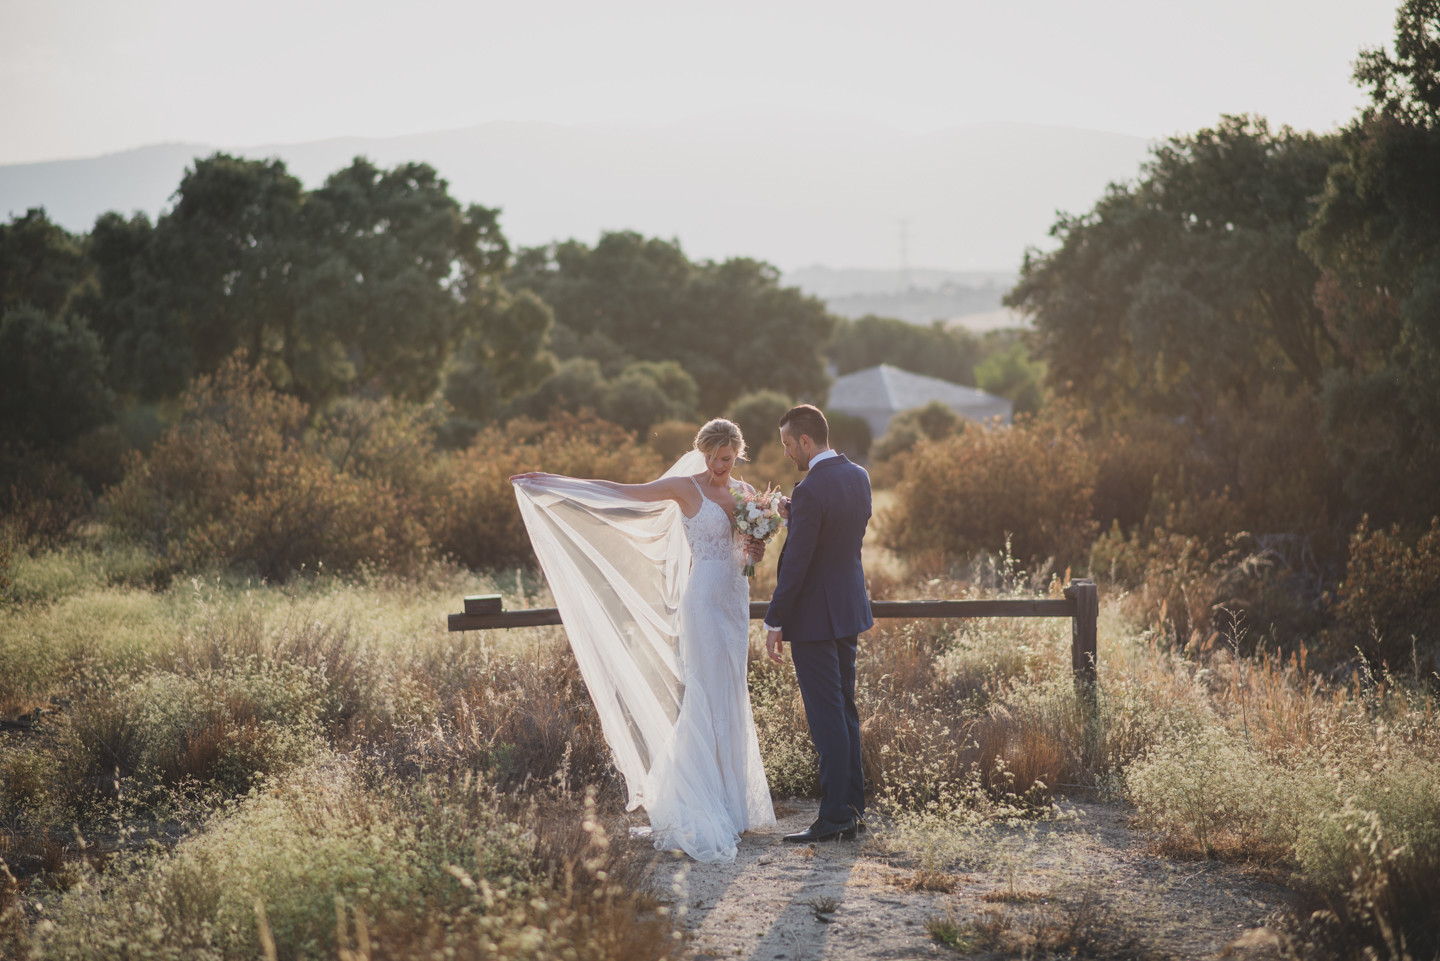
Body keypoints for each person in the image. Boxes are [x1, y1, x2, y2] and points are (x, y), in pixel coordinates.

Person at [511, 418, 775, 863]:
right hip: (703, 601)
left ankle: (733, 804)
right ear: (702, 453)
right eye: (713, 458)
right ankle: (696, 797)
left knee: (732, 691)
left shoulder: (747, 493)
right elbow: (622, 491)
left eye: (727, 459)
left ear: (738, 454)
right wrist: (553, 482)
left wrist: (755, 550)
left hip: (735, 599)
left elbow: (748, 551)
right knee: (706, 692)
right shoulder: (684, 488)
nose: (719, 467)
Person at [764, 404, 873, 843]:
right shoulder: (859, 476)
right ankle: (852, 811)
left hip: (813, 618)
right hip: (848, 609)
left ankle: (834, 817)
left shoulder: (810, 489)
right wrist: (798, 515)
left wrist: (775, 619)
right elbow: (839, 535)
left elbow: (799, 563)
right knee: (845, 711)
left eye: (789, 444)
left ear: (806, 441)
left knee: (827, 718)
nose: (787, 453)